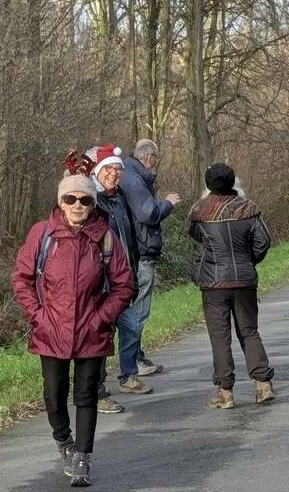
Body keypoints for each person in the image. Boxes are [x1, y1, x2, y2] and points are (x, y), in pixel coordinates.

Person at [12, 152, 135, 486]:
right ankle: (63, 440)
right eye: (71, 199)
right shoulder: (42, 235)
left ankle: (83, 455)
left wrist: (102, 318)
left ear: (93, 204)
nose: (77, 205)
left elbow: (124, 285)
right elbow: (22, 278)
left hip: (91, 331)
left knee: (85, 394)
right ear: (61, 202)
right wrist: (38, 315)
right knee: (53, 396)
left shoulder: (105, 237)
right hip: (50, 330)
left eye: (84, 199)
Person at [188, 163, 274, 409]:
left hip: (213, 282)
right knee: (249, 331)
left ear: (208, 184)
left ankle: (225, 392)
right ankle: (262, 384)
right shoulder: (248, 208)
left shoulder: (199, 210)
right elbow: (263, 241)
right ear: (232, 181)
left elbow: (195, 235)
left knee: (219, 337)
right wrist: (248, 260)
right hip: (244, 280)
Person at [87, 143, 152, 404]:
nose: (114, 173)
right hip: (100, 283)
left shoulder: (119, 198)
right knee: (101, 337)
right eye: (109, 169)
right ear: (97, 171)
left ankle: (128, 375)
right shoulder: (92, 201)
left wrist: (132, 269)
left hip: (123, 279)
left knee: (131, 325)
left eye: (118, 169)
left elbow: (128, 237)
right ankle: (97, 391)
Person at [119, 138, 182, 375]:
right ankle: (133, 361)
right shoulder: (135, 180)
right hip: (141, 253)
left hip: (135, 251)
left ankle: (136, 356)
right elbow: (148, 213)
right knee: (138, 310)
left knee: (135, 309)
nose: (155, 164)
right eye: (155, 159)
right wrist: (167, 204)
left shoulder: (128, 174)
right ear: (149, 158)